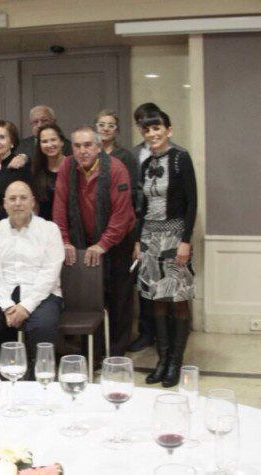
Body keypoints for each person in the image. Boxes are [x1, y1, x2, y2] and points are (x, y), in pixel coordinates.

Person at [53, 126, 136, 356]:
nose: (82, 150)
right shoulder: (67, 167)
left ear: (99, 147)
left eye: (88, 145)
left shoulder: (117, 169)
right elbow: (59, 206)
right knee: (91, 299)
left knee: (119, 298)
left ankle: (117, 353)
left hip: (118, 242)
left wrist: (103, 244)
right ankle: (95, 353)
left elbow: (122, 214)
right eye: (77, 146)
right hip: (82, 240)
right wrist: (64, 240)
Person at [0, 181, 64, 377]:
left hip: (42, 294)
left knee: (43, 325)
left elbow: (49, 272)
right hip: (4, 292)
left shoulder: (49, 229)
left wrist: (26, 306)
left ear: (32, 202)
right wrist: (7, 306)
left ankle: (40, 384)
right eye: (12, 199)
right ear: (4, 204)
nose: (17, 203)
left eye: (23, 198)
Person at [134, 111, 197, 388]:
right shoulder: (146, 162)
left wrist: (186, 240)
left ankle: (175, 361)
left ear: (168, 130)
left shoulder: (180, 158)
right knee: (156, 298)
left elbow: (192, 202)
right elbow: (142, 206)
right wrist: (138, 240)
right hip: (149, 235)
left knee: (178, 298)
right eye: (147, 130)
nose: (152, 134)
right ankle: (161, 359)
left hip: (174, 234)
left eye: (157, 128)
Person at [95, 109, 139, 207]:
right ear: (96, 128)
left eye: (111, 126)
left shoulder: (126, 156)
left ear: (116, 131)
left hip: (119, 209)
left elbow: (132, 190)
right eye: (101, 125)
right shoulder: (90, 155)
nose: (106, 129)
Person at [31, 124, 66, 221]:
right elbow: (35, 206)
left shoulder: (73, 167)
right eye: (44, 141)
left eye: (53, 140)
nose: (50, 145)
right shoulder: (36, 170)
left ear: (62, 141)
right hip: (45, 228)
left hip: (70, 229)